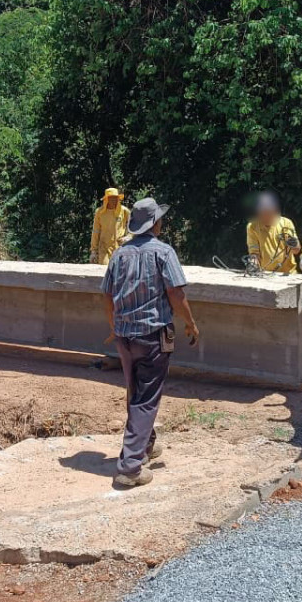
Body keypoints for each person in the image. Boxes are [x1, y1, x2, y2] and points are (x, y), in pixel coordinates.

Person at [100, 197, 199, 488]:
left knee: (137, 391)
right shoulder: (163, 252)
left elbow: (106, 295)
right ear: (155, 224)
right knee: (146, 398)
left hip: (124, 336)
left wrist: (113, 326)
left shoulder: (119, 255)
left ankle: (145, 445)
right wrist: (191, 323)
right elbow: (176, 295)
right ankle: (130, 467)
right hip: (152, 336)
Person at [246, 191, 301, 274]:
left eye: (268, 212)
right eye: (263, 212)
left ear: (274, 211)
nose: (265, 216)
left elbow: (296, 250)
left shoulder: (286, 223)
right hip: (265, 274)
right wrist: (252, 265)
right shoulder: (252, 227)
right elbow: (254, 253)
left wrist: (292, 243)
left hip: (288, 273)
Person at [89, 187, 131, 265]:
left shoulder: (124, 211)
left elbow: (134, 225)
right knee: (105, 269)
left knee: (119, 269)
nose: (114, 200)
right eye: (111, 198)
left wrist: (129, 236)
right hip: (104, 247)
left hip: (120, 247)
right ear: (106, 199)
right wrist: (93, 251)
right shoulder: (100, 212)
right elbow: (96, 231)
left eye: (115, 198)